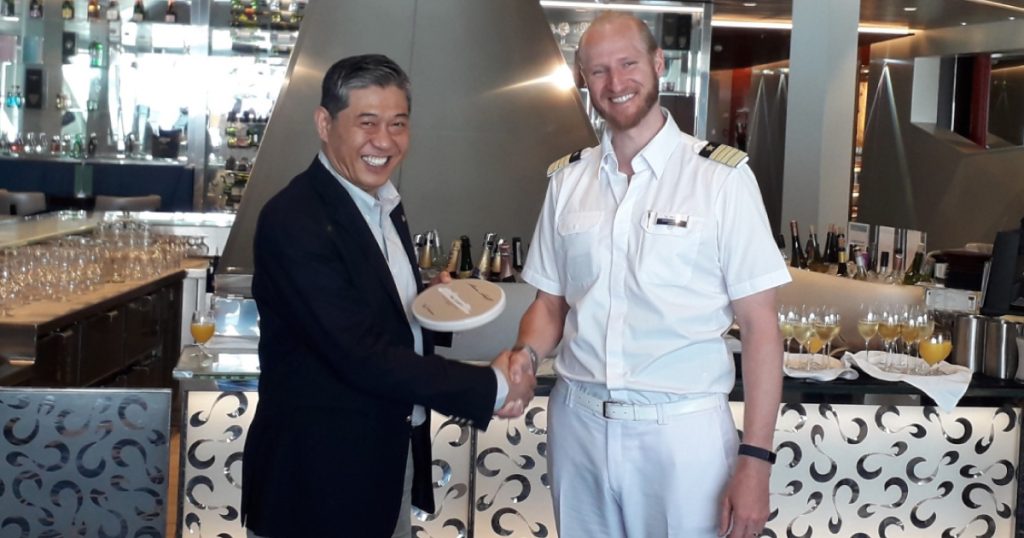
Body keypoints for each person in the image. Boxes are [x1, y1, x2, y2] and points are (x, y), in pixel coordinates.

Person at [510, 12, 791, 538]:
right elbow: (550, 304)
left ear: (658, 63)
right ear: (583, 79)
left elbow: (760, 327)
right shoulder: (567, 181)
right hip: (577, 425)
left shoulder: (721, 179)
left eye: (628, 64)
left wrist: (756, 459)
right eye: (598, 71)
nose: (615, 82)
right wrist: (525, 357)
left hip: (682, 433)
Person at [240, 54, 536, 538]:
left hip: (384, 460)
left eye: (398, 124)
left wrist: (429, 306)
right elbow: (359, 353)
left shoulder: (382, 205)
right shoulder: (295, 218)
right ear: (324, 123)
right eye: (367, 123)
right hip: (315, 480)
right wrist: (492, 387)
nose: (385, 140)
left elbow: (376, 310)